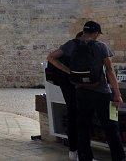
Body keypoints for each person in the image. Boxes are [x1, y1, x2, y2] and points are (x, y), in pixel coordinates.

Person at [47, 21, 125, 161]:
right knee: (111, 127)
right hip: (102, 92)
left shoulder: (71, 44)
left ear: (83, 32)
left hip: (81, 92)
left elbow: (51, 57)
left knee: (83, 127)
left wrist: (68, 71)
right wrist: (118, 94)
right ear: (96, 33)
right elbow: (110, 70)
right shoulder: (101, 46)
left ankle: (85, 158)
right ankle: (119, 158)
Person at [46, 31, 83, 161]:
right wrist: (69, 72)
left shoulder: (73, 49)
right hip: (70, 85)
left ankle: (75, 150)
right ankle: (75, 150)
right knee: (75, 114)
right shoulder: (72, 46)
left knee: (75, 114)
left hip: (70, 85)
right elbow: (50, 57)